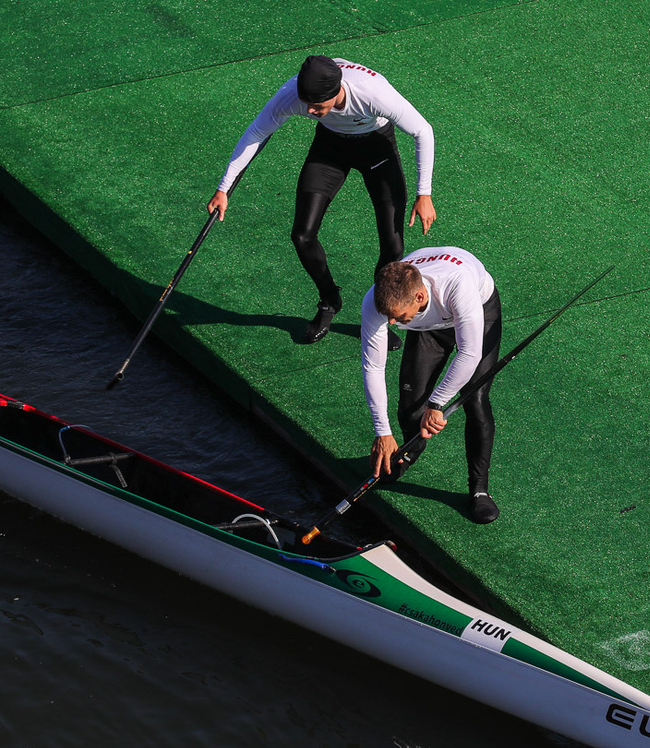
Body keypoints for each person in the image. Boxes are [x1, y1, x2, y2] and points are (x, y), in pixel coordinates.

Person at [208, 55, 436, 345]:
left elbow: (422, 131)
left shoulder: (372, 92)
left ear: (337, 90)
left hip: (376, 147)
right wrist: (223, 188)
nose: (311, 111)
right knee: (302, 236)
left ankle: (377, 318)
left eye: (318, 106)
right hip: (330, 148)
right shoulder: (294, 95)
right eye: (308, 106)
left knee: (393, 245)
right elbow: (256, 132)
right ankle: (329, 300)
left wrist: (424, 194)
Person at [361, 247, 502, 524]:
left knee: (474, 401)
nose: (391, 323)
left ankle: (479, 490)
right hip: (427, 326)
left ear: (420, 296)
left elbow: (469, 353)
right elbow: (374, 367)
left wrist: (437, 404)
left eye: (398, 317)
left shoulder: (458, 285)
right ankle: (410, 452)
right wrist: (382, 432)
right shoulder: (376, 301)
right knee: (412, 406)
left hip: (478, 313)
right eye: (388, 316)